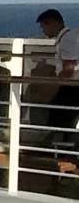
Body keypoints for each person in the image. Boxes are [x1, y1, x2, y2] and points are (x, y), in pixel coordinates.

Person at [30, 9, 79, 139]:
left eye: (43, 26)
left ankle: (59, 151)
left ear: (52, 23)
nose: (43, 31)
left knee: (60, 118)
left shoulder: (67, 39)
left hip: (71, 87)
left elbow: (69, 67)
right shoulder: (66, 38)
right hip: (69, 86)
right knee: (60, 118)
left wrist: (54, 84)